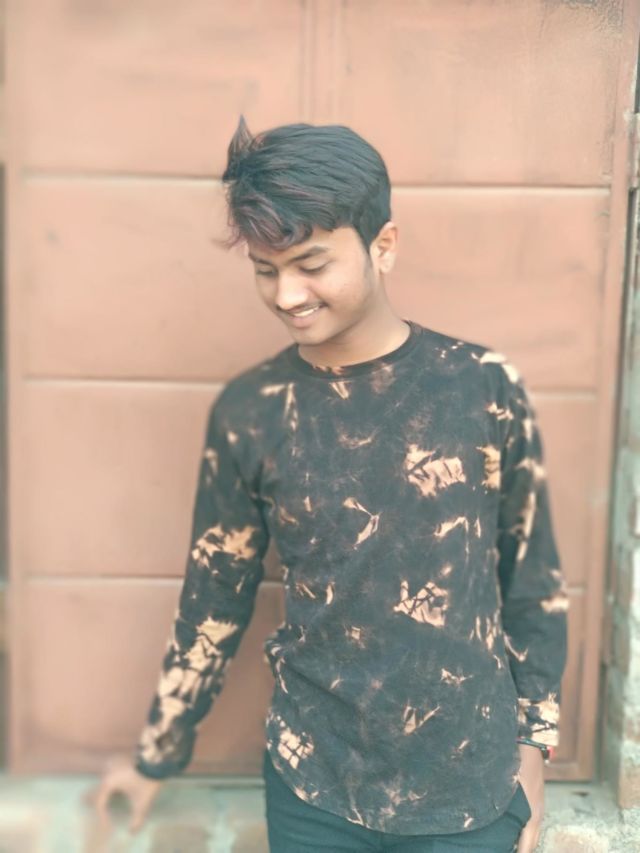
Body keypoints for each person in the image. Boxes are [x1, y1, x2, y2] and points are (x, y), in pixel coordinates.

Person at [90, 116, 569, 852]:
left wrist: (534, 745)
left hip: (470, 784)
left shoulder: (482, 387)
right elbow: (215, 597)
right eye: (265, 269)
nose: (287, 294)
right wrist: (158, 753)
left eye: (311, 264)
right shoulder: (252, 412)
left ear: (384, 245)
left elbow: (531, 577)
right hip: (313, 782)